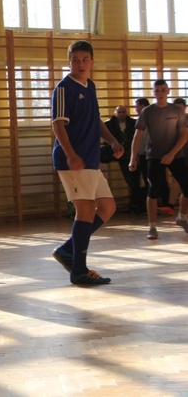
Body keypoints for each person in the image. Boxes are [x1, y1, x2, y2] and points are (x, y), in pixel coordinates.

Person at [50, 40, 122, 285]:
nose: (80, 63)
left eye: (84, 59)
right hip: (74, 160)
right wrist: (70, 154)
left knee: (108, 207)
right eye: (75, 59)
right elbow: (58, 124)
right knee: (86, 211)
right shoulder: (63, 88)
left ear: (92, 61)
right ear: (69, 61)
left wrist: (112, 141)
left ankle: (68, 250)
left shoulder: (90, 86)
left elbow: (96, 120)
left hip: (90, 159)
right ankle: (79, 270)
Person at [129, 79, 188, 239]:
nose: (160, 93)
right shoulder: (147, 111)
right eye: (157, 91)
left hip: (176, 155)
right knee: (153, 190)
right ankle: (152, 227)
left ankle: (181, 218)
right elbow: (138, 135)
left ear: (168, 91)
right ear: (153, 92)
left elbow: (184, 134)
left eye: (163, 90)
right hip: (154, 156)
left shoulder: (177, 110)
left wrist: (172, 153)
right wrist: (133, 158)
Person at [104, 106, 143, 213]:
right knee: (130, 181)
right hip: (121, 155)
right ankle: (136, 204)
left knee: (135, 181)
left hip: (133, 154)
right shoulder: (109, 124)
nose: (122, 114)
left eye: (124, 112)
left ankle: (136, 205)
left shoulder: (133, 123)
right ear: (115, 113)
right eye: (119, 112)